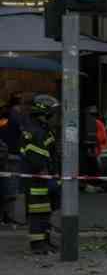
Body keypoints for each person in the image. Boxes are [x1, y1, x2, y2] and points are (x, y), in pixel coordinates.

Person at [20, 95, 59, 253]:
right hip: (37, 179)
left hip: (43, 177)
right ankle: (37, 244)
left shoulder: (41, 128)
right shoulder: (35, 130)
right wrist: (47, 174)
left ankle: (45, 241)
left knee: (45, 211)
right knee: (38, 211)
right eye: (53, 113)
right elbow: (37, 158)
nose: (55, 117)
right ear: (45, 113)